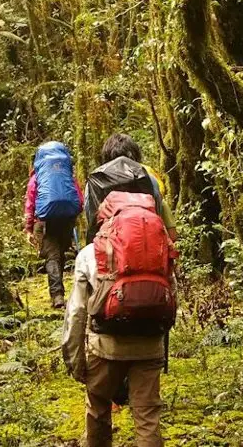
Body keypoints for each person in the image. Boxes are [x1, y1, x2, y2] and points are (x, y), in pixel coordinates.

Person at [62, 133, 178, 447]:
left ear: (101, 210)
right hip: (150, 342)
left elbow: (76, 313)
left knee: (98, 410)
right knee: (148, 418)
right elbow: (172, 295)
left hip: (105, 346)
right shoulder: (160, 246)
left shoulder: (89, 254)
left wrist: (74, 360)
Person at [81, 133, 177, 244]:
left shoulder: (95, 181)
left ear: (106, 158)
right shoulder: (150, 180)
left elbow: (92, 218)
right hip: (146, 245)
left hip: (108, 249)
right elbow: (157, 213)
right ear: (136, 156)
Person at [24, 141, 84, 309]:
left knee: (52, 257)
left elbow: (30, 203)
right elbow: (79, 199)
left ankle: (57, 296)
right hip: (66, 220)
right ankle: (65, 294)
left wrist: (29, 228)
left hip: (44, 222)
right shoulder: (67, 174)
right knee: (60, 255)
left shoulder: (37, 178)